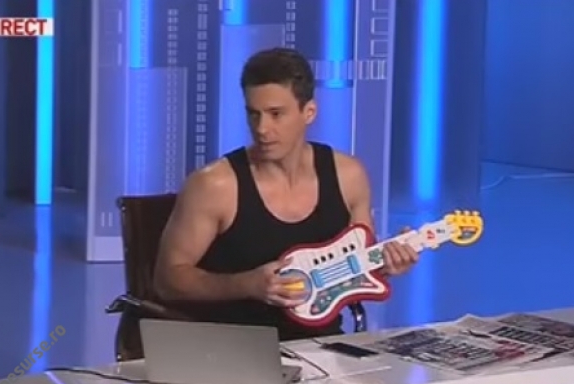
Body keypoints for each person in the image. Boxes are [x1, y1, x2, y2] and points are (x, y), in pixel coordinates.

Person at [153, 47, 418, 341]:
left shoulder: (348, 176)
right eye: (253, 114)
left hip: (322, 347)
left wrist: (387, 263)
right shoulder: (214, 185)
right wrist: (247, 285)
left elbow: (354, 271)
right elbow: (168, 280)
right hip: (234, 348)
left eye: (276, 114)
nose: (262, 129)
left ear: (309, 112)